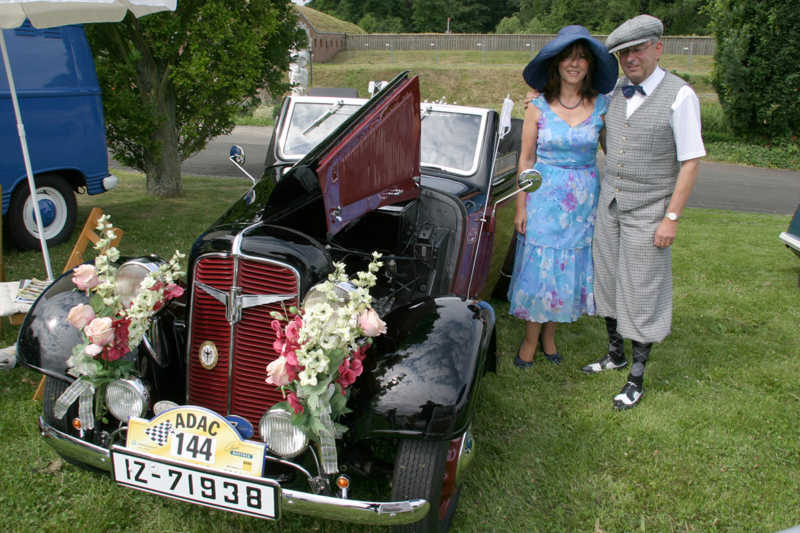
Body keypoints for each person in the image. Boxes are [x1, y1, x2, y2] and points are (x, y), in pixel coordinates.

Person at [581, 15, 706, 409]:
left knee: (642, 289)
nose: (630, 58)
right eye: (623, 53)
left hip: (651, 211)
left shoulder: (680, 96)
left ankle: (636, 377)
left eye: (637, 49)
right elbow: (610, 142)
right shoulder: (617, 93)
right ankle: (615, 354)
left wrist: (671, 218)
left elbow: (690, 162)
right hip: (611, 205)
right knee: (610, 281)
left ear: (657, 48)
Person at [508, 25, 618, 368]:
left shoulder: (603, 106)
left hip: (583, 202)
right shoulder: (537, 106)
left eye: (582, 58)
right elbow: (526, 159)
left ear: (590, 66)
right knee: (540, 268)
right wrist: (521, 205)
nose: (574, 64)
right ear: (556, 63)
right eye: (568, 57)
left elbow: (614, 154)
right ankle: (530, 340)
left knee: (566, 267)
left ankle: (550, 337)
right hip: (543, 197)